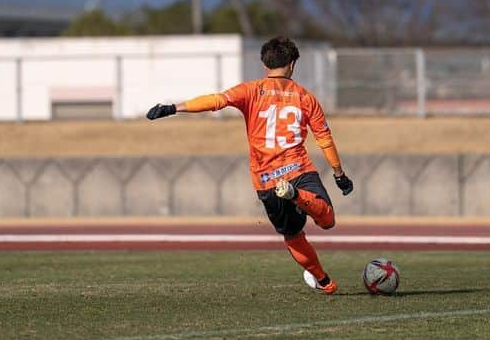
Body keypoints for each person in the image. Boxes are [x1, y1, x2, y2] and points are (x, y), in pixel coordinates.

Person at [146, 36, 353, 293]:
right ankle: (297, 195)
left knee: (293, 237)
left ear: (265, 65)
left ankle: (325, 282)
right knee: (328, 220)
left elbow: (216, 101)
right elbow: (324, 138)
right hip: (298, 169)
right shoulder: (305, 97)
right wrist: (339, 174)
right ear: (292, 65)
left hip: (266, 180)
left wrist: (173, 108)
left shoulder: (251, 90)